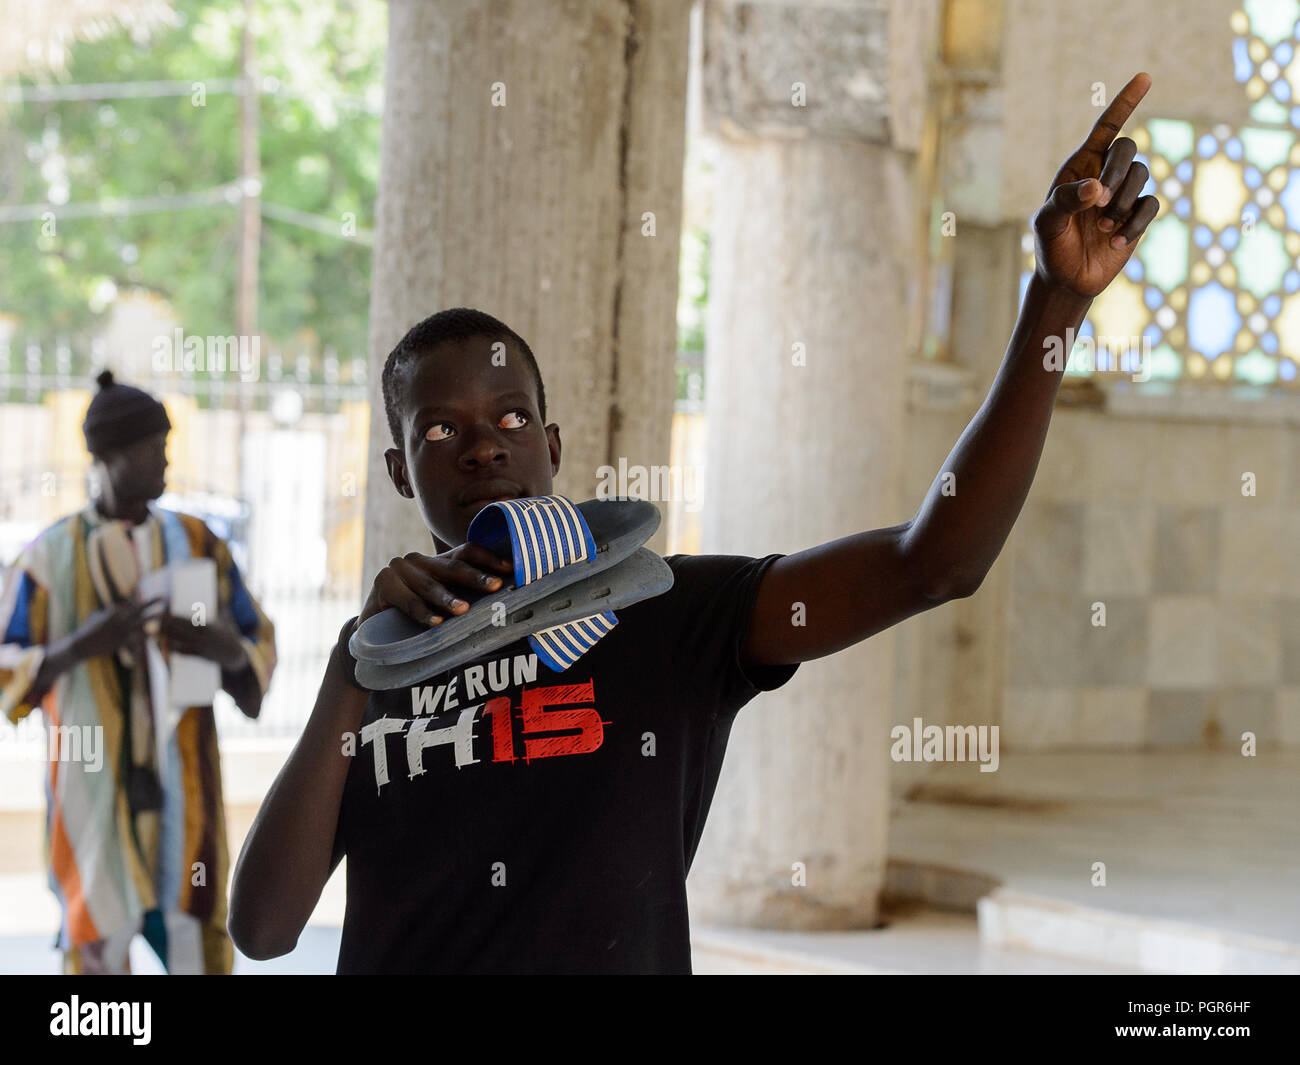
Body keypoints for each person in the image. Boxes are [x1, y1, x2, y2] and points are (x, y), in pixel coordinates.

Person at [229, 74, 1160, 973]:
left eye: (510, 418)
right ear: (398, 469)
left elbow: (936, 562)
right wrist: (358, 665)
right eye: (441, 431)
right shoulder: (379, 658)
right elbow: (264, 929)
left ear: (552, 442)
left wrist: (1055, 304)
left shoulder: (667, 611)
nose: (483, 447)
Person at [0, 370, 277, 974]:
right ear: (107, 456)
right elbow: (6, 669)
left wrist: (221, 647)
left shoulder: (200, 544)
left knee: (193, 938)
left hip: (187, 789)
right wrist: (80, 646)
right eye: (154, 449)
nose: (167, 463)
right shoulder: (47, 557)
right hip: (91, 796)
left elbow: (256, 643)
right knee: (97, 947)